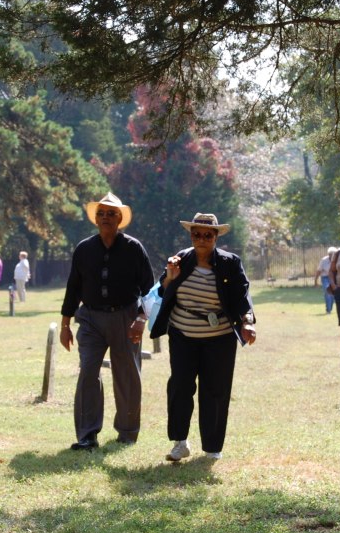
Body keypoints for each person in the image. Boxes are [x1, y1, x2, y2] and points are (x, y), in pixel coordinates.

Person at [150, 213, 256, 462]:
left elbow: (242, 295)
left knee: (216, 390)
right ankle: (180, 442)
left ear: (216, 236)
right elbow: (162, 288)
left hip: (219, 336)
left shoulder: (230, 262)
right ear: (191, 235)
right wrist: (170, 277)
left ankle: (212, 447)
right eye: (197, 234)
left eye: (208, 234)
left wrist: (248, 322)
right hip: (182, 333)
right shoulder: (180, 259)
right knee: (179, 386)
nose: (202, 238)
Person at [60, 191, 154, 450]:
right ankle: (87, 435)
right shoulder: (84, 249)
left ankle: (127, 432)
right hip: (90, 319)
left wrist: (141, 319)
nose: (105, 217)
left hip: (126, 317)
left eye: (111, 213)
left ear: (120, 218)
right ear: (95, 219)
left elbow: (149, 290)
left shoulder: (134, 248)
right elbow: (73, 288)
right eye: (101, 213)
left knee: (126, 374)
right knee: (88, 370)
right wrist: (65, 324)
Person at [313, 246, 337, 314]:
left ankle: (330, 308)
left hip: (333, 277)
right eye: (330, 254)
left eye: (333, 254)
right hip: (325, 277)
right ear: (328, 254)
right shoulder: (324, 260)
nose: (331, 256)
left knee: (333, 294)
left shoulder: (337, 260)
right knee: (327, 292)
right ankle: (328, 310)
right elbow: (318, 271)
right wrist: (315, 281)